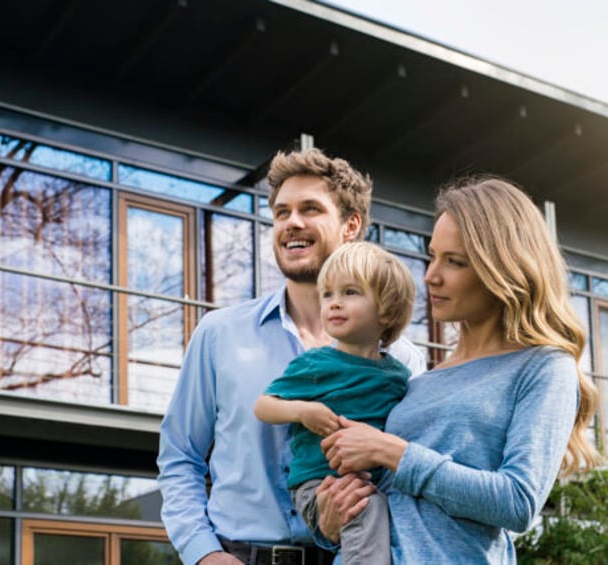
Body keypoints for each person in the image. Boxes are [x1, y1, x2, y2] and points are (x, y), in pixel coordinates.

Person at [157, 148, 426, 565]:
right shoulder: (219, 334)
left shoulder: (402, 360)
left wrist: (340, 526)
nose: (292, 223)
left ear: (351, 225)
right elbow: (180, 456)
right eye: (281, 212)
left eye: (310, 209)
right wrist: (203, 553)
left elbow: (405, 475)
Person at [314, 175, 601, 563]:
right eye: (432, 255)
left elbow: (518, 502)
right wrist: (330, 522)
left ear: (500, 268)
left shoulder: (544, 368)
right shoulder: (420, 381)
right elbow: (387, 501)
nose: (431, 275)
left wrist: (391, 451)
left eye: (455, 261)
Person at [254, 241, 416, 565]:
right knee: (366, 508)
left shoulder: (400, 376)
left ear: (386, 308)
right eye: (327, 294)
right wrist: (302, 411)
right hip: (319, 484)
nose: (334, 304)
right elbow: (263, 406)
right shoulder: (315, 365)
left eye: (350, 293)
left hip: (376, 480)